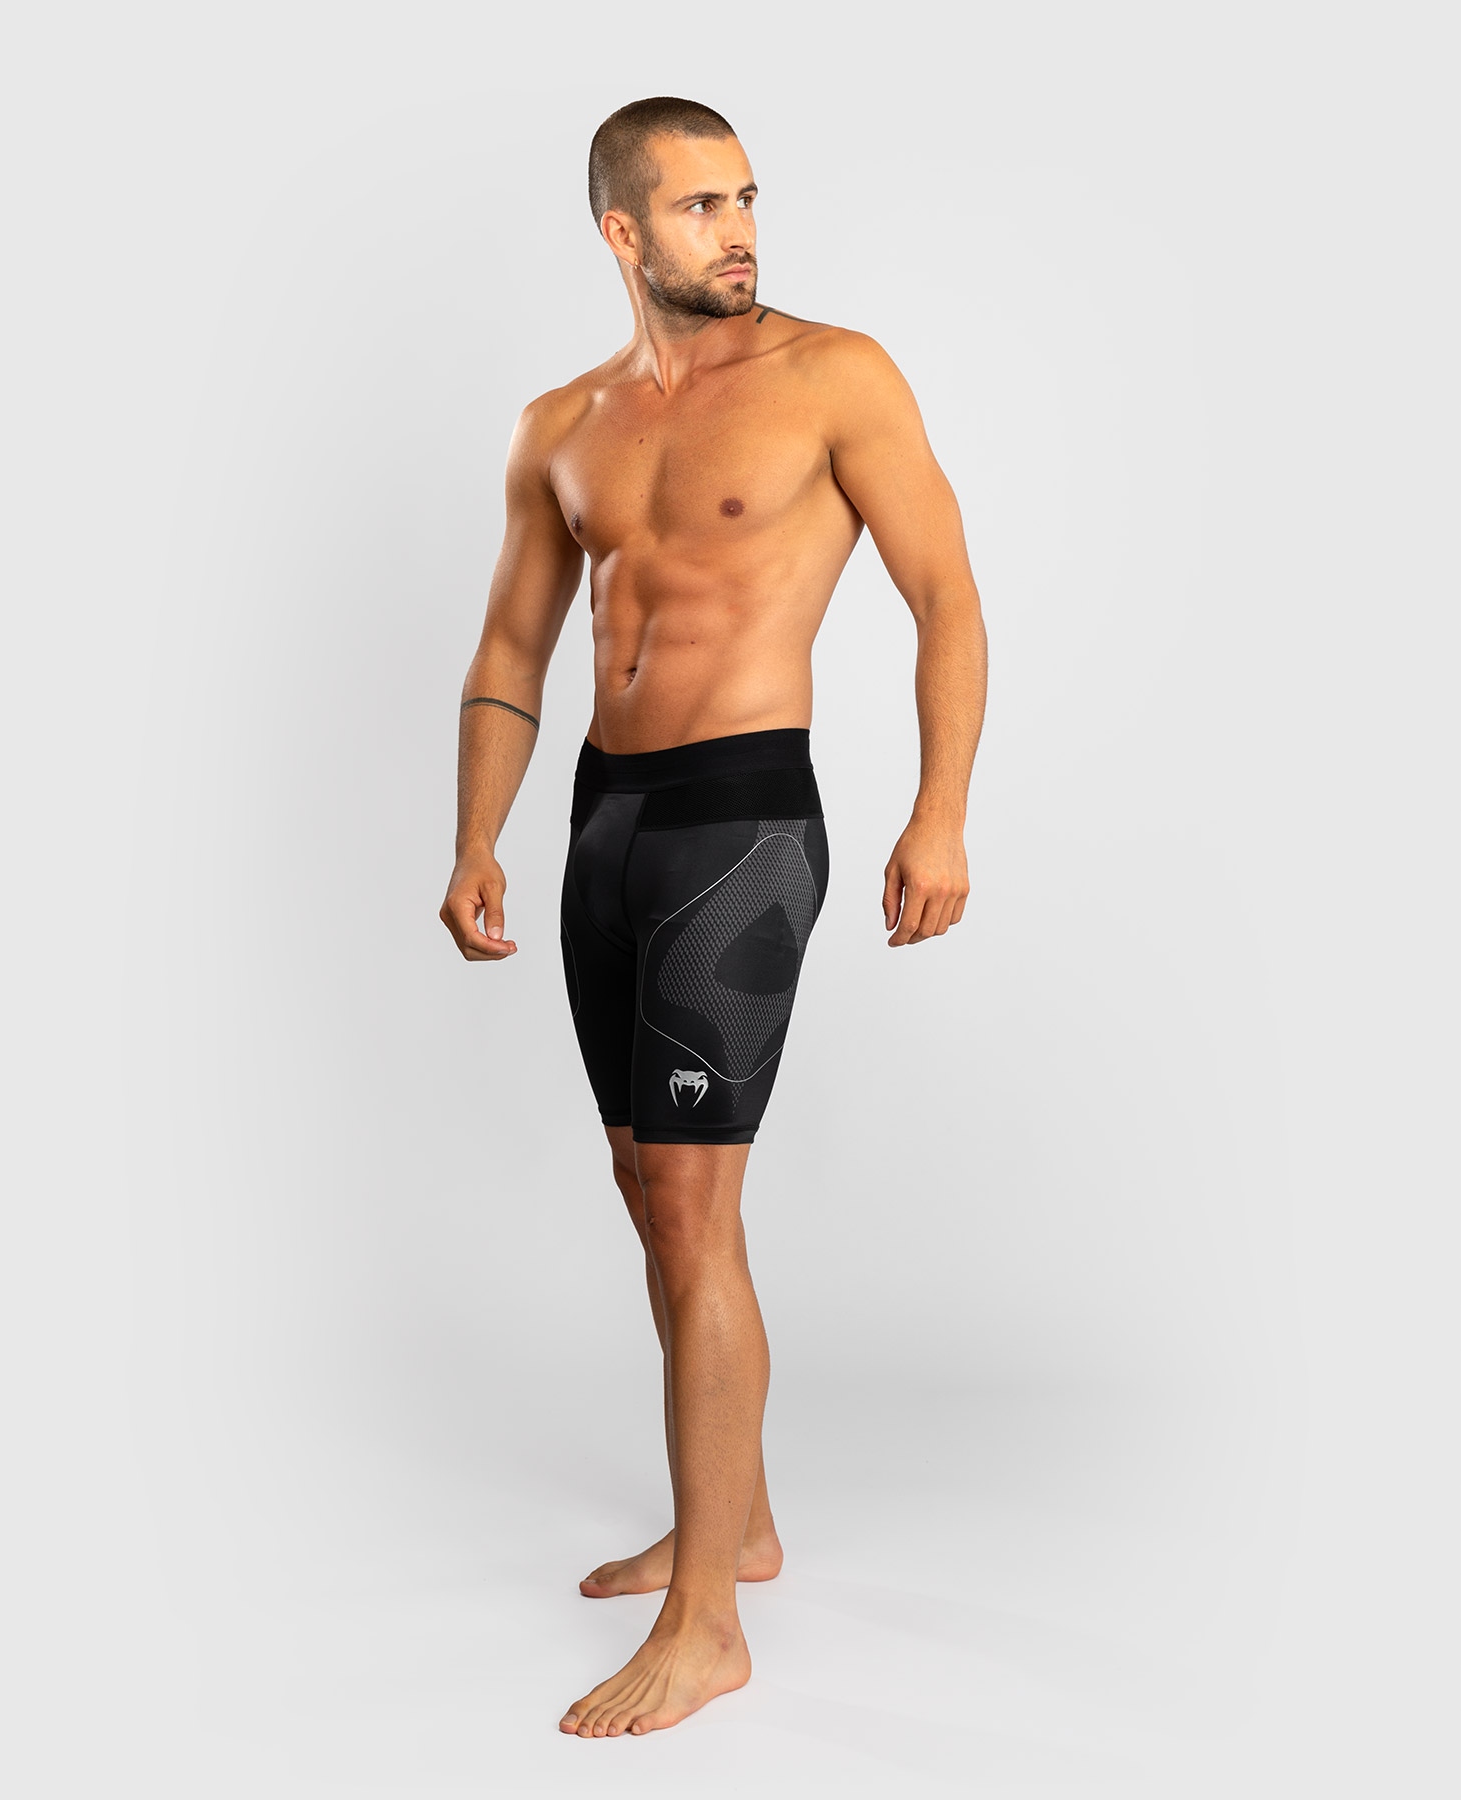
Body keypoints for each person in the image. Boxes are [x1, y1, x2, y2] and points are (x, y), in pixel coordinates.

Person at [439, 96, 987, 1738]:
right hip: (602, 822)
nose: (738, 229)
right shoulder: (562, 424)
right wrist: (476, 837)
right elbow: (512, 649)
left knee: (691, 1201)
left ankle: (709, 1625)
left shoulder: (835, 377)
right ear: (623, 231)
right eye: (698, 206)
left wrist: (940, 811)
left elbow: (946, 595)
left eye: (746, 198)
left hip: (739, 823)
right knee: (647, 1186)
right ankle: (733, 1520)